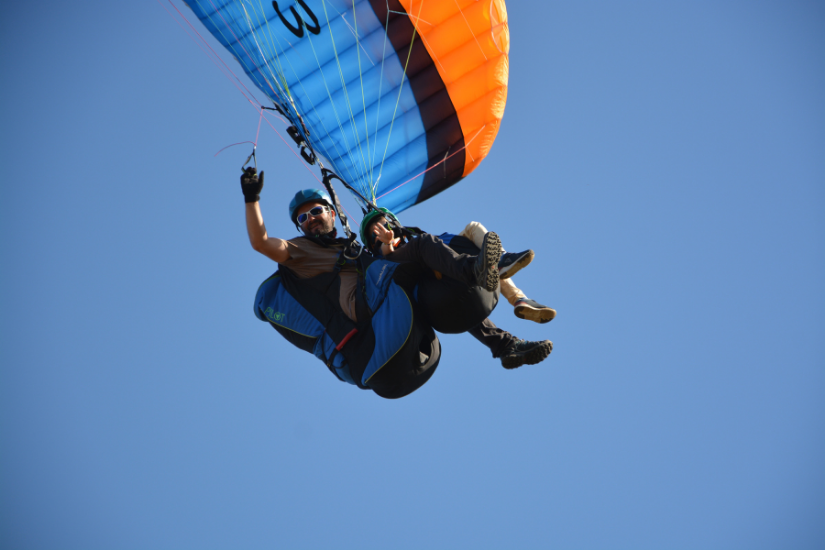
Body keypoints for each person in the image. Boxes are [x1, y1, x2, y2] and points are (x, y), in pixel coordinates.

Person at [361, 211, 554, 369]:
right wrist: (386, 243)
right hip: (434, 304)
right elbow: (387, 259)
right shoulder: (384, 266)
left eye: (384, 225)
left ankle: (510, 335)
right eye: (374, 234)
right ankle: (479, 270)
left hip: (456, 306)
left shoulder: (431, 248)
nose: (381, 230)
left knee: (473, 230)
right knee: (425, 245)